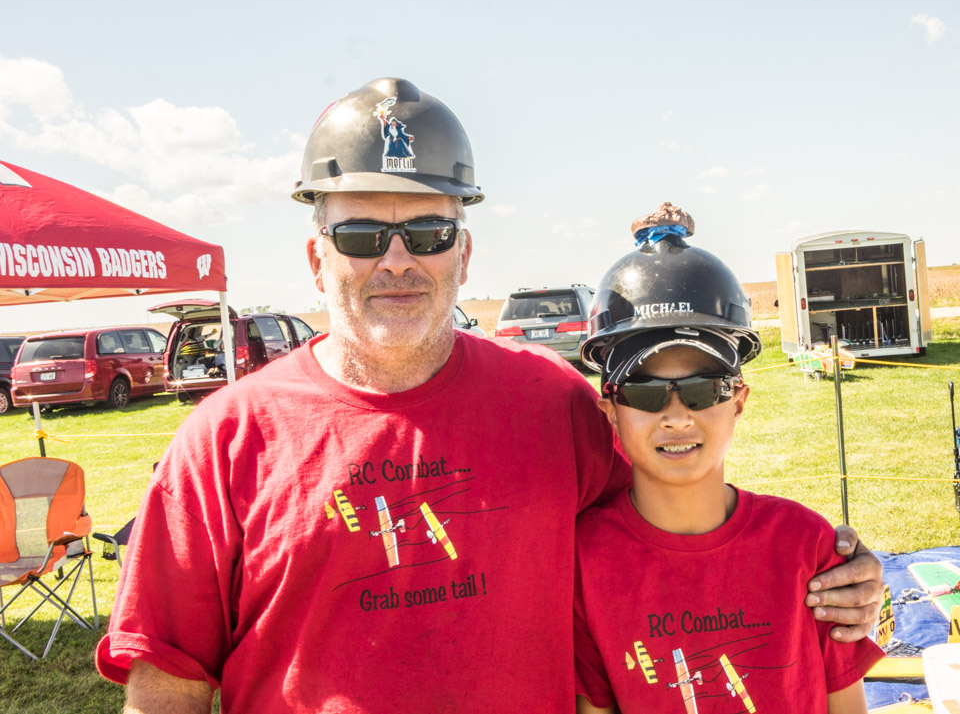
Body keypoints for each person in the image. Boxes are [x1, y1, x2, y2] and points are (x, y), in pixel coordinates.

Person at [96, 79, 883, 714]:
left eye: (429, 234)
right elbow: (167, 678)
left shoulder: (550, 402)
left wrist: (831, 573)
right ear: (316, 255)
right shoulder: (224, 439)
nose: (398, 260)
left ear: (464, 254)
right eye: (364, 234)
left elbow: (677, 508)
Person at [572, 205, 883, 714]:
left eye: (702, 389)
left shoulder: (808, 548)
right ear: (610, 411)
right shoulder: (584, 564)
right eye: (645, 392)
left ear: (738, 399)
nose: (676, 417)